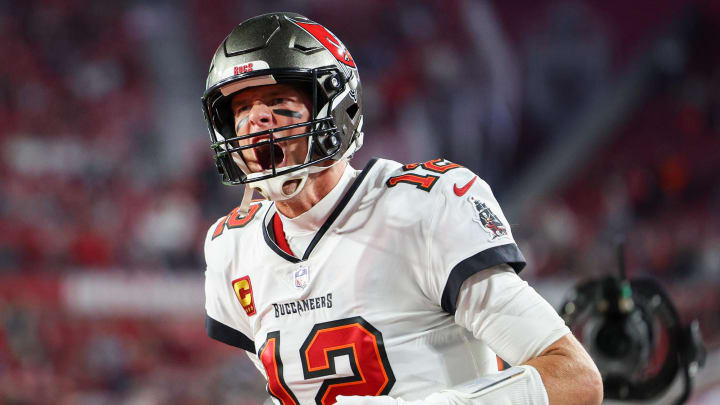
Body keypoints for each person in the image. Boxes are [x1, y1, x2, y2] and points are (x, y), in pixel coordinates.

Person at [201, 12, 602, 405]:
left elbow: (574, 378)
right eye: (240, 109)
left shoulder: (421, 207)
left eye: (277, 99)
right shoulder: (232, 249)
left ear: (336, 107)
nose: (256, 120)